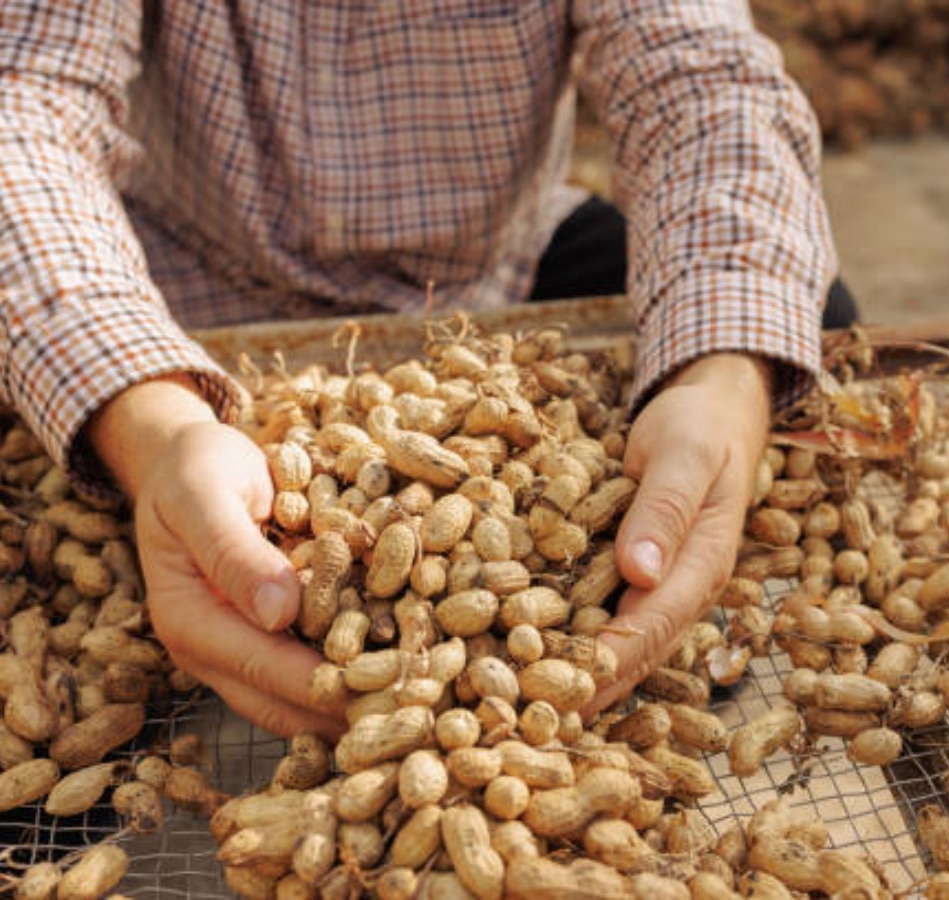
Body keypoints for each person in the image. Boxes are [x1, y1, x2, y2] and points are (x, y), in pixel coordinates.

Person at [0, 2, 844, 739]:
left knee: (797, 326)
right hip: (180, 300)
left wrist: (722, 378)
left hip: (486, 287)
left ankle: (668, 638)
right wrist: (151, 424)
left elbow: (701, 84)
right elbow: (22, 103)